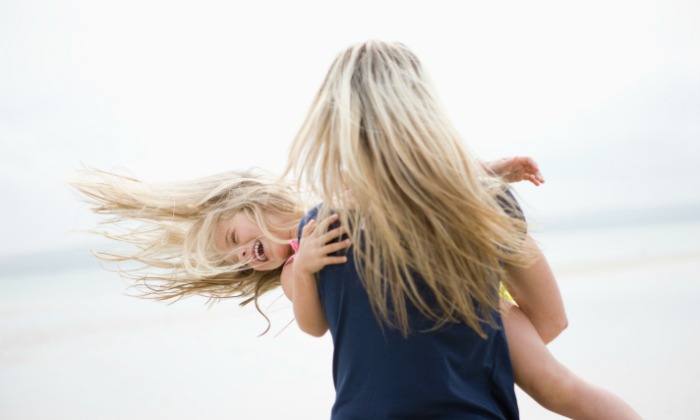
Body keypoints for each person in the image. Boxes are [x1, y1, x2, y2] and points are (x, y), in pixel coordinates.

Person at [72, 157, 638, 418]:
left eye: (234, 235)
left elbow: (415, 184)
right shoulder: (298, 265)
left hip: (473, 295)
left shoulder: (332, 192)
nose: (243, 254)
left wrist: (490, 171)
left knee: (559, 388)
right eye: (235, 257)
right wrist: (310, 267)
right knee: (546, 382)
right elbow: (315, 325)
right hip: (460, 320)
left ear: (250, 199)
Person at [282, 40, 641, 419]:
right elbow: (551, 319)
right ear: (424, 111)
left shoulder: (320, 230)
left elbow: (315, 325)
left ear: (332, 119)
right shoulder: (482, 204)